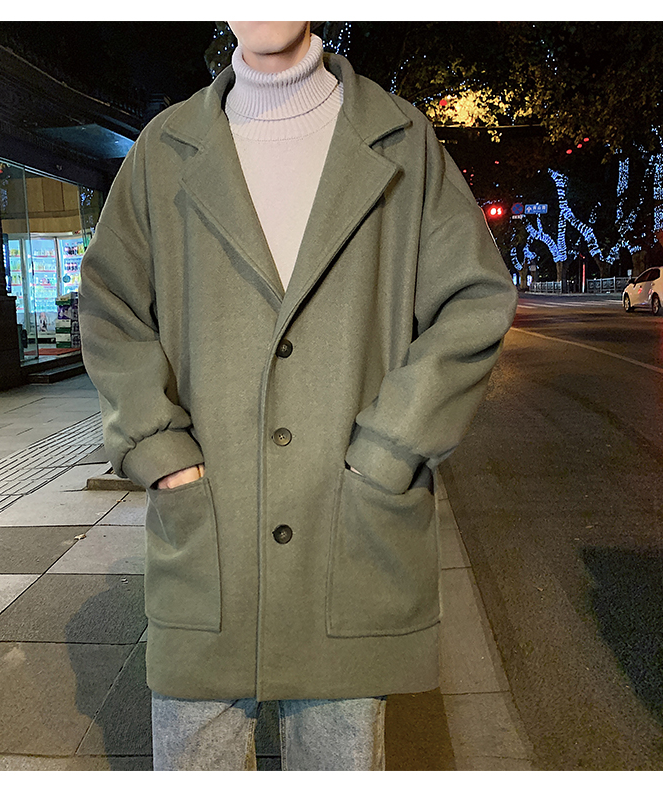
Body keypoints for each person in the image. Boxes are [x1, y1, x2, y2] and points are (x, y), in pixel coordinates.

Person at [79, 21, 517, 771]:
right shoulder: (164, 148)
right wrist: (158, 449)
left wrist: (391, 449)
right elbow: (110, 305)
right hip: (208, 534)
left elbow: (474, 298)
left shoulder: (400, 139)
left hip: (348, 528)